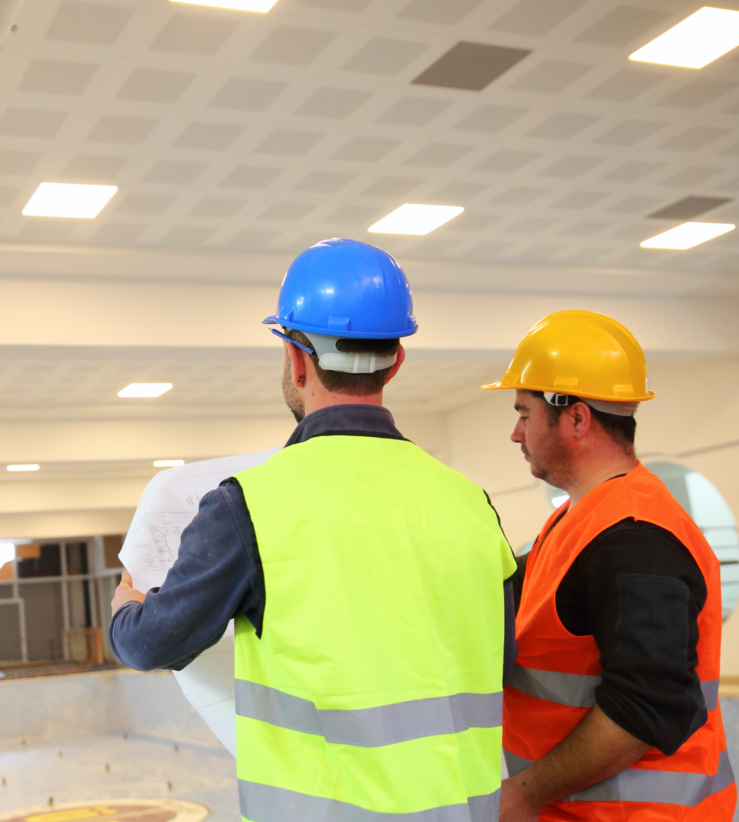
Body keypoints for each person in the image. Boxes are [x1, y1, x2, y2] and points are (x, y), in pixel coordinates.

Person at [110, 238, 518, 821]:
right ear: (396, 361)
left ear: (295, 359)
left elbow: (153, 642)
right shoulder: (471, 505)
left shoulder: (247, 506)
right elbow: (497, 661)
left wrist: (126, 605)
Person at [484, 310, 734, 822]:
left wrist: (527, 793)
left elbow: (646, 706)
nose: (515, 433)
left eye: (524, 413)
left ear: (576, 418)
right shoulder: (582, 520)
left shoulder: (636, 537)